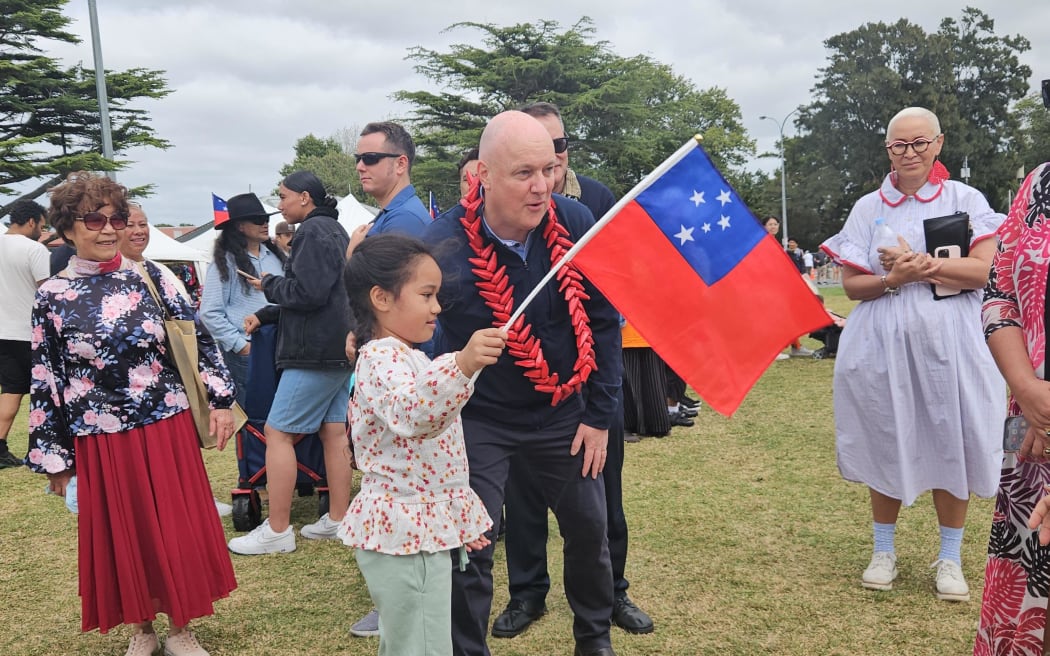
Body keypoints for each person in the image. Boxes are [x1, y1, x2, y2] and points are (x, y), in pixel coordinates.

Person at [424, 110, 622, 656]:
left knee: (588, 528)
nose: (541, 188)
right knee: (473, 544)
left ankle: (594, 639)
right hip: (482, 418)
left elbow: (603, 321)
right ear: (482, 174)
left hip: (564, 412)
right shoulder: (442, 245)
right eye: (523, 174)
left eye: (548, 170)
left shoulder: (576, 222)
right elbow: (415, 337)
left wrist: (598, 416)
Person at [27, 171, 237, 656]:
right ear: (67, 227)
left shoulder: (152, 277)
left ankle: (182, 628)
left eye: (115, 218)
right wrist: (55, 457)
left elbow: (199, 340)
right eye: (93, 219)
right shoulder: (52, 296)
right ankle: (141, 629)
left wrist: (221, 400)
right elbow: (46, 377)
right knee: (124, 534)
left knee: (175, 528)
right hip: (100, 436)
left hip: (164, 424)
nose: (107, 229)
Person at [819, 106, 1005, 602]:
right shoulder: (867, 208)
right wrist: (891, 279)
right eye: (900, 145)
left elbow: (984, 272)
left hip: (954, 342)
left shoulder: (965, 200)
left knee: (953, 435)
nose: (910, 153)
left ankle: (949, 556)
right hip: (882, 341)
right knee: (886, 432)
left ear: (938, 143)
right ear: (888, 150)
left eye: (920, 142)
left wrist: (923, 268)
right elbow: (855, 286)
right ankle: (884, 549)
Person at [484, 100, 652, 640]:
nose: (545, 172)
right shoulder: (469, 231)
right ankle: (528, 594)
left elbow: (605, 317)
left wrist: (600, 410)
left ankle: (611, 601)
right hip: (507, 408)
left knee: (598, 510)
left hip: (579, 400)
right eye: (528, 163)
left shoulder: (590, 206)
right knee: (523, 507)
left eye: (554, 152)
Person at [339, 233, 501, 656]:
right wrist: (463, 364)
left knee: (411, 640)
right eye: (427, 295)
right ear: (381, 297)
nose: (437, 307)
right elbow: (414, 415)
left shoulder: (409, 356)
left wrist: (455, 519)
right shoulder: (381, 359)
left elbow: (430, 457)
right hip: (406, 538)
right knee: (422, 645)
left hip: (417, 532)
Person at [227, 171, 353, 555]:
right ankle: (338, 518)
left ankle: (278, 529)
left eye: (282, 196)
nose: (278, 205)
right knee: (333, 433)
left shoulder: (313, 233)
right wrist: (268, 311)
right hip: (335, 348)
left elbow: (308, 293)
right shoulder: (334, 230)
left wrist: (269, 284)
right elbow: (326, 294)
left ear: (303, 197)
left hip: (312, 352)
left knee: (279, 432)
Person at [974, 161, 1050, 655]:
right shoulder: (1041, 181)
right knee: (1028, 605)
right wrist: (1027, 388)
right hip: (1031, 438)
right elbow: (1000, 293)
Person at [199, 193, 286, 409]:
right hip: (249, 349)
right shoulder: (225, 263)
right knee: (254, 417)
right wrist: (240, 346)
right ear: (239, 226)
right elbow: (209, 312)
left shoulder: (277, 257)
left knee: (281, 417)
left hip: (281, 346)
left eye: (266, 219)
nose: (265, 224)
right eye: (258, 220)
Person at [0, 199, 49, 468]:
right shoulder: (34, 249)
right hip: (29, 331)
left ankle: (0, 446)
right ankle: (40, 447)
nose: (41, 232)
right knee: (43, 390)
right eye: (41, 226)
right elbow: (47, 291)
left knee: (11, 389)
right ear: (31, 221)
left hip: (2, 331)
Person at [347, 121, 431, 257]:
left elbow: (386, 278)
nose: (360, 167)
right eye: (358, 159)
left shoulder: (404, 219)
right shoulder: (396, 214)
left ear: (400, 164)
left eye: (370, 158)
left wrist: (353, 255)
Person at [764, 217, 812, 359]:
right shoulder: (763, 242)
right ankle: (774, 349)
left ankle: (795, 346)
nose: (773, 226)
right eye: (770, 224)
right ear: (764, 226)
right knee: (775, 317)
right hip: (768, 286)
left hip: (779, 285)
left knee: (788, 314)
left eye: (775, 224)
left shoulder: (775, 243)